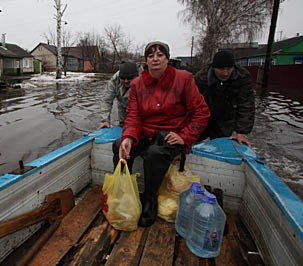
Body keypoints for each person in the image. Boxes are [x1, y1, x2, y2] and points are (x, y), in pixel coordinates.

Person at [115, 41, 210, 227]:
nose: (155, 59)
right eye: (151, 56)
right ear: (146, 61)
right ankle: (125, 193)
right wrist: (128, 137)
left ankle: (150, 198)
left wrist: (185, 135)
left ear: (167, 59)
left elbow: (201, 112)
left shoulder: (183, 79)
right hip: (146, 130)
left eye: (160, 54)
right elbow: (133, 115)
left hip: (172, 132)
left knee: (155, 154)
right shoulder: (137, 84)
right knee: (119, 146)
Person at [194, 50, 255, 147]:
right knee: (191, 141)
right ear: (214, 68)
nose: (225, 73)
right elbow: (192, 104)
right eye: (221, 69)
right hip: (204, 115)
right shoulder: (201, 78)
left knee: (221, 145)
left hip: (226, 117)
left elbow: (246, 104)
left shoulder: (243, 77)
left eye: (229, 68)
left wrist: (241, 132)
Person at [98, 62, 141, 129]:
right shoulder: (114, 80)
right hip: (122, 105)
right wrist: (105, 120)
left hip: (140, 106)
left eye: (129, 78)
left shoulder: (145, 79)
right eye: (123, 78)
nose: (126, 81)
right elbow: (106, 100)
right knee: (123, 125)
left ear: (136, 76)